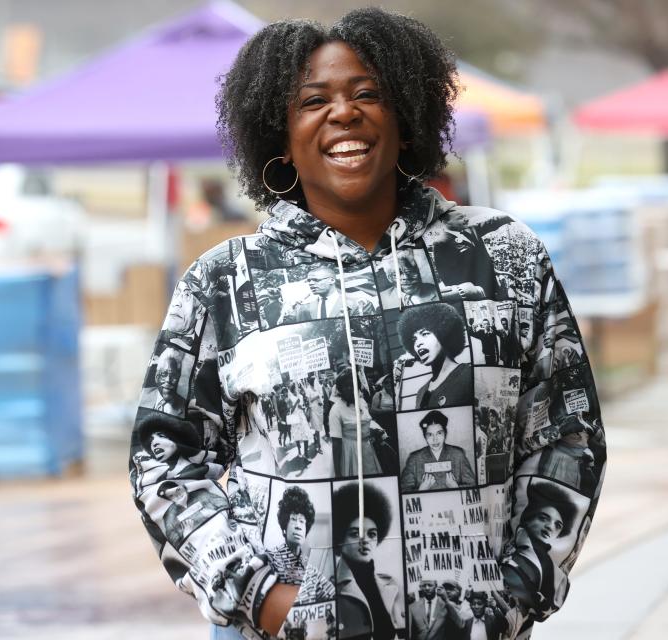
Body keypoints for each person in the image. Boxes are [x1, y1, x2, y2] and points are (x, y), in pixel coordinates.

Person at [130, 8, 605, 639]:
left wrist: (516, 592)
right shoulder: (224, 281)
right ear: (279, 133)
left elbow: (568, 438)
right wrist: (265, 601)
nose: (344, 114)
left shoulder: (503, 254)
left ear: (406, 118)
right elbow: (164, 460)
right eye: (313, 101)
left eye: (367, 94)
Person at [332, 482, 405, 639]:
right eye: (354, 533)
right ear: (339, 539)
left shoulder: (393, 585)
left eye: (372, 534)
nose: (364, 541)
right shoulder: (328, 589)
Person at [501, 482, 578, 620]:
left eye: (558, 525)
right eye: (543, 518)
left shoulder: (544, 562)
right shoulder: (527, 550)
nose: (550, 527)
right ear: (528, 518)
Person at [396, 304, 472, 410]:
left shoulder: (469, 376)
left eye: (425, 334)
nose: (418, 343)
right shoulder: (421, 393)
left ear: (444, 334)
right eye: (414, 339)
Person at [269, 486, 336, 601]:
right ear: (284, 525)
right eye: (294, 519)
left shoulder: (311, 571)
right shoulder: (270, 559)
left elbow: (334, 598)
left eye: (302, 521)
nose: (298, 526)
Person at [399, 410, 475, 492]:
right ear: (425, 437)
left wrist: (455, 487)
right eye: (430, 435)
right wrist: (421, 489)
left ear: (445, 434)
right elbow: (403, 490)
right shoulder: (414, 459)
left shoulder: (458, 455)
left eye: (439, 433)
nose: (435, 439)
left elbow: (472, 485)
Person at [329, 368, 384, 478]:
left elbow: (367, 421)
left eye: (353, 384)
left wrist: (374, 432)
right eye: (346, 386)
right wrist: (338, 473)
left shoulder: (362, 402)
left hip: (367, 450)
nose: (350, 388)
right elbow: (336, 443)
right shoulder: (336, 410)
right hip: (350, 452)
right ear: (340, 388)